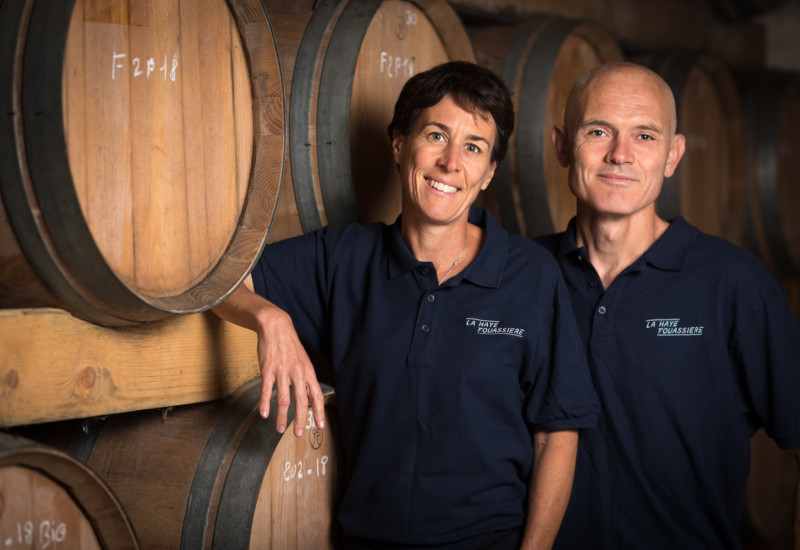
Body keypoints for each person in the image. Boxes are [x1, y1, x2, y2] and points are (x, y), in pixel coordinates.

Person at [213, 60, 600, 549]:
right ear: (399, 144)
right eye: (436, 135)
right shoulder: (343, 258)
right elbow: (221, 279)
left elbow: (557, 434)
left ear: (489, 172)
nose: (451, 162)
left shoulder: (531, 274)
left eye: (474, 148)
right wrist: (269, 317)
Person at [534, 61, 800, 549]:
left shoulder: (734, 284)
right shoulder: (521, 275)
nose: (620, 154)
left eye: (645, 136)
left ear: (673, 155)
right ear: (560, 146)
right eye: (598, 131)